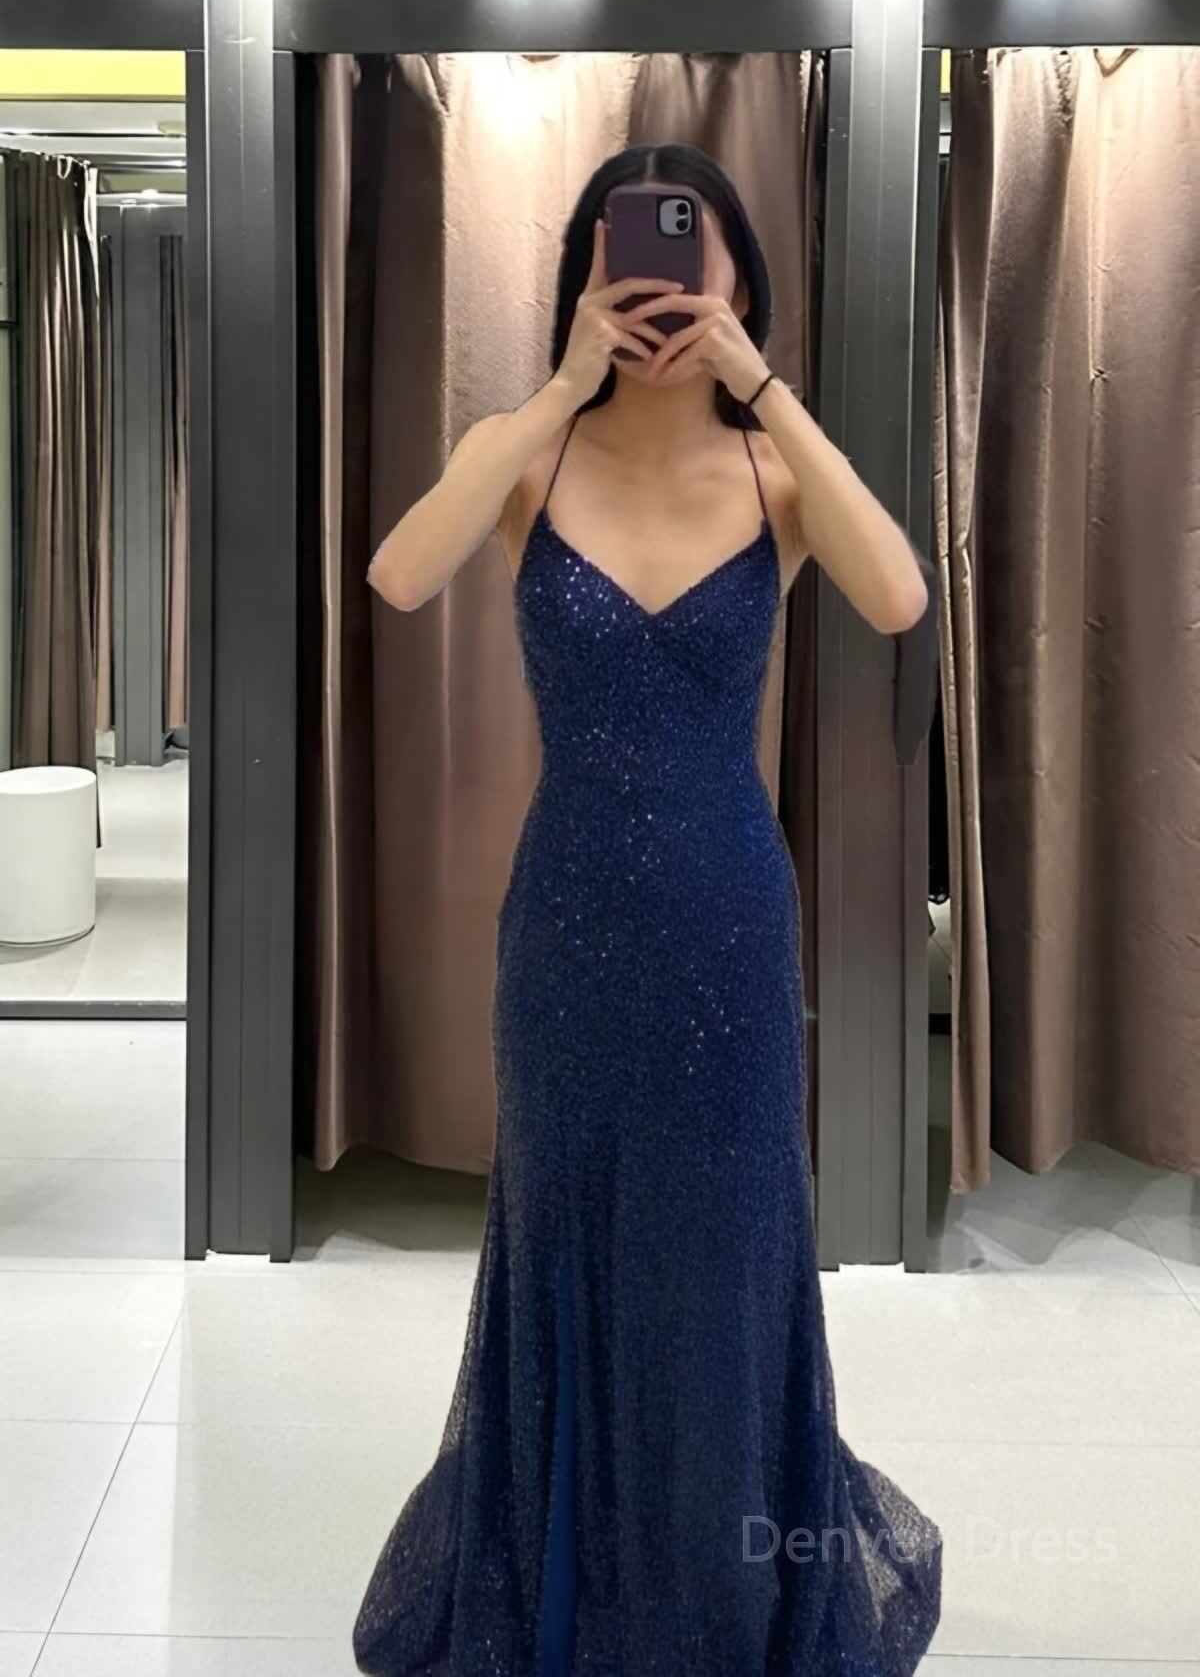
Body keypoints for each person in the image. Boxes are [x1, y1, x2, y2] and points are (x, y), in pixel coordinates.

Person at [354, 143, 943, 1676]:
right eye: (634, 256)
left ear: (738, 276)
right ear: (589, 274)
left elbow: (899, 598)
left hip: (728, 925)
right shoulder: (528, 459)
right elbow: (399, 574)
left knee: (727, 1256)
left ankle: (724, 1586)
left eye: (698, 256)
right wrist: (556, 391)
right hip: (565, 923)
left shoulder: (777, 475)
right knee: (569, 1237)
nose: (664, 286)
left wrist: (767, 391)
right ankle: (566, 1582)